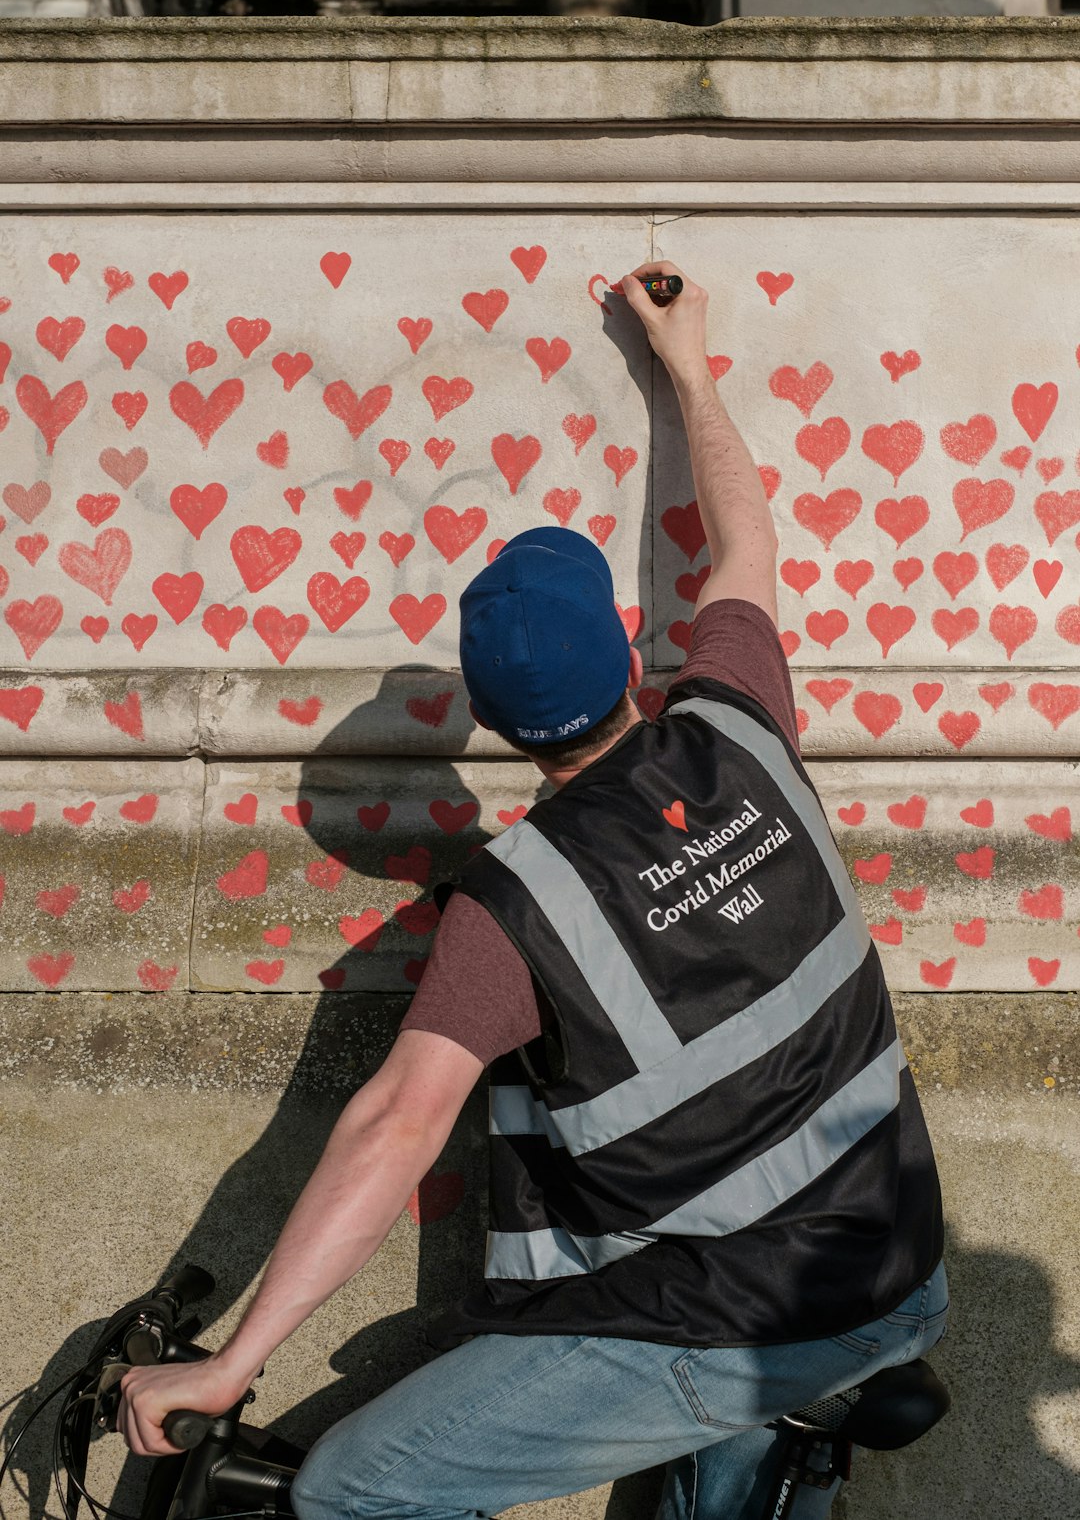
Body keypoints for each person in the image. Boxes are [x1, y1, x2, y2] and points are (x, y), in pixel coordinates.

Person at [118, 262, 947, 1518]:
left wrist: (233, 1360)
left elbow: (396, 1125)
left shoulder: (514, 903)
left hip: (730, 1319)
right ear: (630, 651)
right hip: (898, 1267)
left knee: (350, 1486)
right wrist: (687, 365)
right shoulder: (739, 722)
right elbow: (749, 540)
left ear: (498, 727)